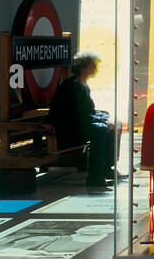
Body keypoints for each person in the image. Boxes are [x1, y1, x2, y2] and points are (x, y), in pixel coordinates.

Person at [48, 51, 116, 187]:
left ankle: (106, 169)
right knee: (101, 129)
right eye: (93, 66)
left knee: (111, 126)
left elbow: (88, 111)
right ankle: (95, 177)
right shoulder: (73, 86)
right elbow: (79, 114)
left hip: (78, 125)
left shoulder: (82, 84)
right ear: (83, 67)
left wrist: (105, 118)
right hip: (68, 130)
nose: (95, 69)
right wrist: (103, 121)